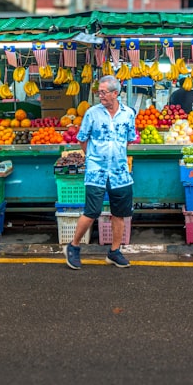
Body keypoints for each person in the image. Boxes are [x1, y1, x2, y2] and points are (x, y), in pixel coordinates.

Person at [65, 75, 137, 270]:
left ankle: (114, 251)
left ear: (115, 93)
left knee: (120, 213)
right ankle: (73, 246)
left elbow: (130, 138)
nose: (101, 96)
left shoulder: (129, 114)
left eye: (104, 92)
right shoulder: (92, 113)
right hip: (96, 171)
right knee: (92, 211)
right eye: (99, 92)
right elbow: (82, 138)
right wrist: (93, 158)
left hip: (120, 172)